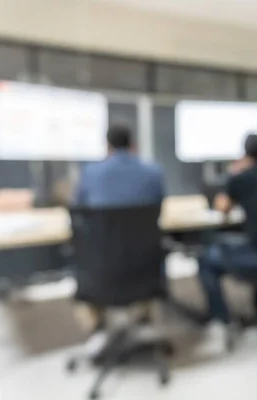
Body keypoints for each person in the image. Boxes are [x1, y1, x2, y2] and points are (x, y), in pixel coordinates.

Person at [74, 124, 165, 358]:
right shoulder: (153, 172)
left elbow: (80, 211)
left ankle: (98, 330)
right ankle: (144, 321)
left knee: (83, 262)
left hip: (103, 271)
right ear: (133, 145)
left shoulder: (90, 173)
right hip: (146, 268)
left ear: (107, 146)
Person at [197, 134, 257, 351]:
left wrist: (233, 174)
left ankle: (222, 320)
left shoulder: (242, 177)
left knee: (205, 258)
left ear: (245, 153)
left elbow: (222, 208)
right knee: (246, 240)